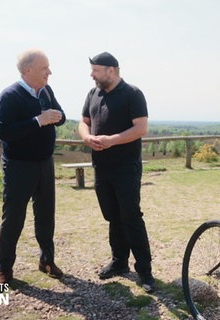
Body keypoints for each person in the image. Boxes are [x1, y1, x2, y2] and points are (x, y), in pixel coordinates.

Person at [77, 52, 155, 293]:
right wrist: (86, 136)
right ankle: (119, 262)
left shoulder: (133, 93)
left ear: (111, 70)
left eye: (96, 70)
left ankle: (145, 271)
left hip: (126, 167)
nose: (91, 75)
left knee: (130, 216)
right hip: (101, 167)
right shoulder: (93, 94)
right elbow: (83, 121)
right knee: (112, 216)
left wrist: (112, 140)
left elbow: (141, 128)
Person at [0, 49, 66, 284]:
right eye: (45, 68)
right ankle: (4, 269)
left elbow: (60, 115)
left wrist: (57, 117)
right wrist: (37, 121)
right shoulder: (9, 96)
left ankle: (46, 260)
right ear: (28, 70)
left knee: (46, 215)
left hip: (45, 163)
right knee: (13, 218)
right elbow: (5, 132)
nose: (50, 72)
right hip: (19, 166)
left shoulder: (46, 91)